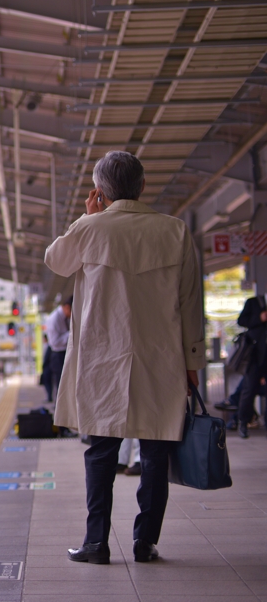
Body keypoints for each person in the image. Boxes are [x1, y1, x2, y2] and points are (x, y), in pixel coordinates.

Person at [44, 151, 204, 566]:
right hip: (162, 358)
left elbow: (56, 261)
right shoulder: (174, 231)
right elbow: (190, 302)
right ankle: (145, 542)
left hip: (103, 358)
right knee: (155, 452)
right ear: (143, 185)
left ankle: (96, 542)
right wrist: (192, 364)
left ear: (99, 192)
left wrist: (85, 217)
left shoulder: (90, 229)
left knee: (100, 450)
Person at [236, 296, 267, 438]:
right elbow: (241, 321)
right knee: (249, 390)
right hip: (254, 356)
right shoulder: (254, 302)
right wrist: (259, 318)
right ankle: (243, 422)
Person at [44, 298, 71, 403]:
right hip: (58, 354)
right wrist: (71, 334)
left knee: (66, 382)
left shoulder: (64, 317)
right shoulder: (54, 319)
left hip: (64, 352)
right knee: (61, 382)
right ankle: (60, 407)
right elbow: (54, 342)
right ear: (67, 307)